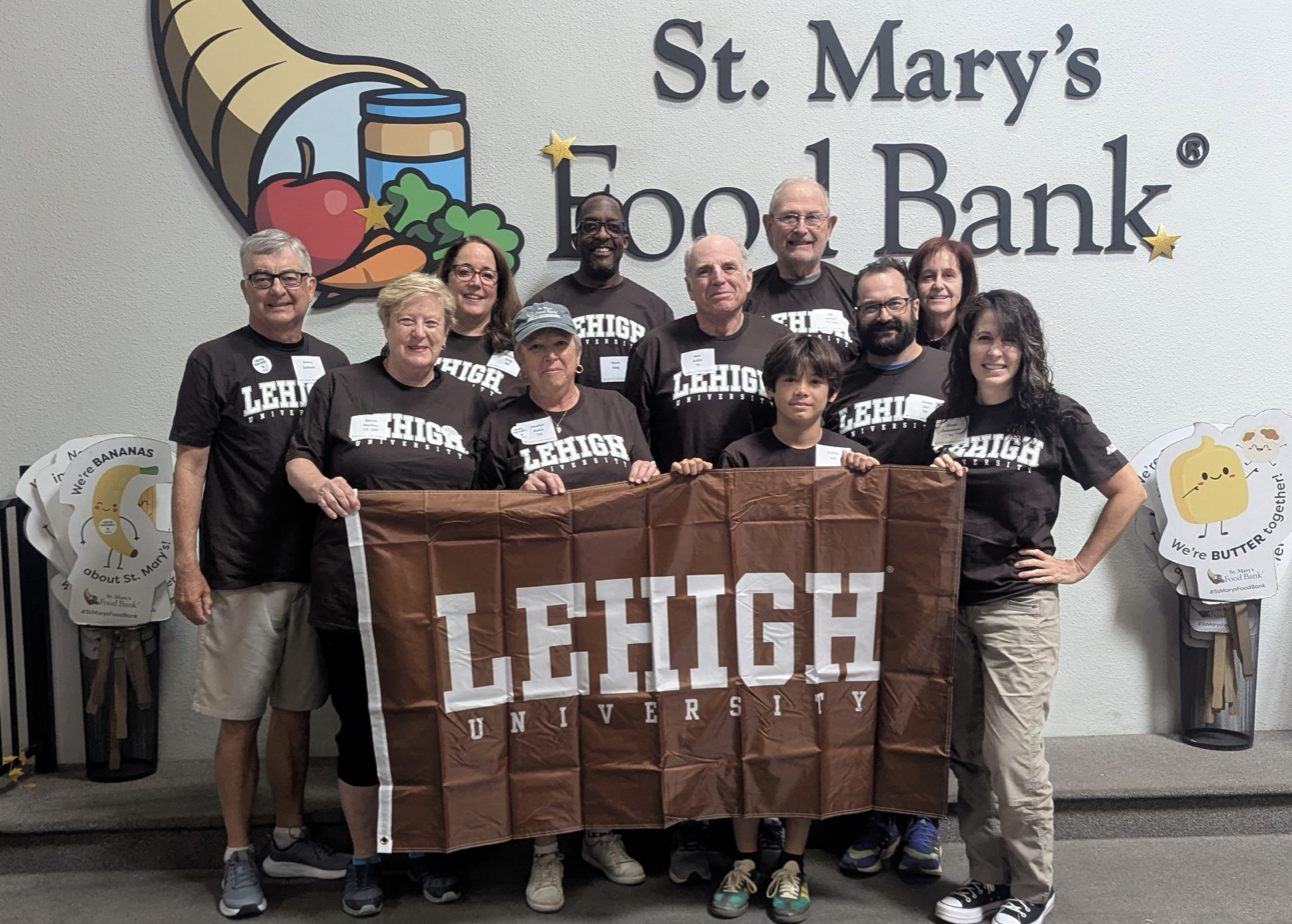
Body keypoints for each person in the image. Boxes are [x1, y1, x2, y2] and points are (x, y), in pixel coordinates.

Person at [927, 291, 1145, 924]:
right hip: (952, 609)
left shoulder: (1054, 416)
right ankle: (987, 878)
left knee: (1012, 754)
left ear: (1028, 349)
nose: (995, 351)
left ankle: (1032, 888)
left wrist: (1076, 565)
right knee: (966, 752)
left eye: (1009, 339)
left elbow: (1127, 490)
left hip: (1018, 608)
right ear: (963, 346)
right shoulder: (945, 422)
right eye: (982, 338)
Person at [286, 274, 488, 917]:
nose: (420, 333)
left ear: (448, 330)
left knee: (432, 726)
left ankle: (428, 848)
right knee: (361, 734)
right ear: (385, 325)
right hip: (355, 593)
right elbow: (297, 460)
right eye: (407, 321)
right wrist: (319, 485)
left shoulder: (472, 402)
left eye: (432, 322)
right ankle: (366, 859)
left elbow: (494, 487)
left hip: (441, 598)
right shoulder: (341, 386)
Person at [170, 229, 350, 918]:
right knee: (239, 718)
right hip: (241, 569)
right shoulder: (213, 361)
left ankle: (289, 836)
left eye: (289, 276)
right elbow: (191, 464)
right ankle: (238, 853)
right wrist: (186, 563)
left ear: (313, 286)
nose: (277, 288)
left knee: (296, 713)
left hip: (315, 569)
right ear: (245, 288)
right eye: (262, 278)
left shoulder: (334, 363)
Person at [672, 333, 876, 923]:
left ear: (832, 392)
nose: (802, 391)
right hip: (750, 625)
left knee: (803, 742)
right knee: (745, 740)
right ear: (772, 389)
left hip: (819, 628)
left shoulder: (850, 457)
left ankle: (791, 862)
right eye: (791, 380)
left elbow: (870, 538)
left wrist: (871, 478)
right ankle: (742, 859)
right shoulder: (740, 455)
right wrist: (692, 478)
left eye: (815, 381)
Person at [473, 301, 657, 912]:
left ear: (579, 352)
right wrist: (515, 492)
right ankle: (546, 846)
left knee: (607, 715)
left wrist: (644, 472)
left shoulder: (616, 408)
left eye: (560, 345)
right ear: (519, 359)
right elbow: (473, 509)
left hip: (611, 590)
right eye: (535, 347)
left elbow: (643, 475)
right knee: (544, 722)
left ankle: (600, 833)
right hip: (535, 594)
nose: (550, 356)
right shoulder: (499, 420)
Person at [827, 257, 950, 879]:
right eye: (870, 306)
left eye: (893, 304)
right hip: (857, 563)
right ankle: (879, 812)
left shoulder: (950, 372)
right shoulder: (838, 382)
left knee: (925, 689)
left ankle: (923, 812)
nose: (882, 316)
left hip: (931, 558)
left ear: (914, 306)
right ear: (857, 313)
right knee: (871, 692)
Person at [624, 234, 786, 473]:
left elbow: (803, 422)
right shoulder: (654, 348)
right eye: (704, 271)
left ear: (748, 278)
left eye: (729, 267)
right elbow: (632, 437)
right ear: (689, 287)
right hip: (682, 496)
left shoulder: (780, 342)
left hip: (762, 494)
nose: (718, 279)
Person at [526, 192, 673, 393]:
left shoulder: (656, 310)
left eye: (613, 227)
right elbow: (529, 380)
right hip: (565, 423)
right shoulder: (544, 307)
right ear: (576, 240)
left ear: (625, 241)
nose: (603, 235)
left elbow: (664, 387)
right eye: (591, 226)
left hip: (632, 424)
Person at [745, 178, 859, 362]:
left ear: (829, 227)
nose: (801, 229)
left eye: (813, 217)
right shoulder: (744, 294)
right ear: (769, 226)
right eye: (789, 217)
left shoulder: (857, 292)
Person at [433, 234, 525, 407]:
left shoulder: (522, 348)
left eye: (487, 275)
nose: (476, 282)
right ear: (446, 279)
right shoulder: (423, 340)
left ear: (500, 287)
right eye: (464, 272)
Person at [909, 237, 979, 353]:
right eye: (928, 276)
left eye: (948, 275)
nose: (938, 285)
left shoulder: (974, 339)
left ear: (964, 283)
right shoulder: (905, 338)